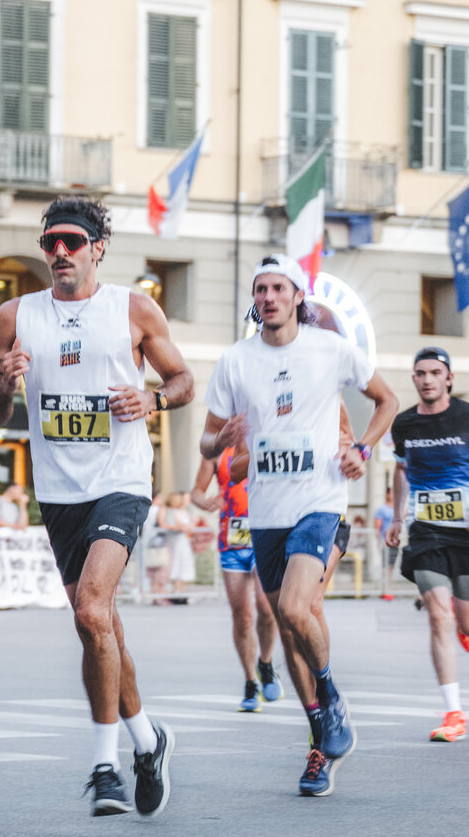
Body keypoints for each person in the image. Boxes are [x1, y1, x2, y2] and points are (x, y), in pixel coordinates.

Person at [0, 194, 194, 818]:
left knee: (93, 609)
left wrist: (150, 401)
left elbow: (182, 381)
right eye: (51, 244)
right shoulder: (15, 316)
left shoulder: (132, 308)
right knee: (97, 625)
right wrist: (0, 382)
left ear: (98, 248)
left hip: (120, 478)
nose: (61, 254)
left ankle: (104, 767)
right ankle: (149, 740)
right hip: (59, 490)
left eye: (73, 242)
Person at [201, 254, 398, 797]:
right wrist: (221, 441)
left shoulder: (330, 349)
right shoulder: (236, 362)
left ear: (296, 297)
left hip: (321, 504)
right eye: (260, 289)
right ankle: (321, 741)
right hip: (265, 513)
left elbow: (387, 400)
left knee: (292, 608)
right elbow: (208, 445)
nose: (268, 297)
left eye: (278, 288)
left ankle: (331, 698)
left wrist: (361, 448)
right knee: (291, 626)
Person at [387, 346, 469, 742]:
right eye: (420, 373)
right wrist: (398, 516)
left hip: (466, 533)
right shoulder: (404, 424)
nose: (427, 379)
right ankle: (454, 712)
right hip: (426, 532)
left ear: (448, 378)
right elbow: (400, 471)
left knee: (465, 621)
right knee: (439, 614)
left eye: (435, 372)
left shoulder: (467, 417)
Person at [192, 447, 283, 711]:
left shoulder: (264, 438)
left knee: (266, 609)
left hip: (265, 534)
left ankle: (265, 663)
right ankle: (250, 681)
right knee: (241, 616)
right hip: (232, 541)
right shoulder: (218, 449)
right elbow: (196, 491)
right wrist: (205, 501)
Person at [374, 487, 398, 599]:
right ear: (387, 494)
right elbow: (377, 526)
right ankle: (384, 589)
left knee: (391, 566)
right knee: (385, 566)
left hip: (395, 541)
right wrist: (379, 541)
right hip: (385, 541)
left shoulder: (397, 509)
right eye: (392, 493)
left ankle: (388, 588)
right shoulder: (382, 509)